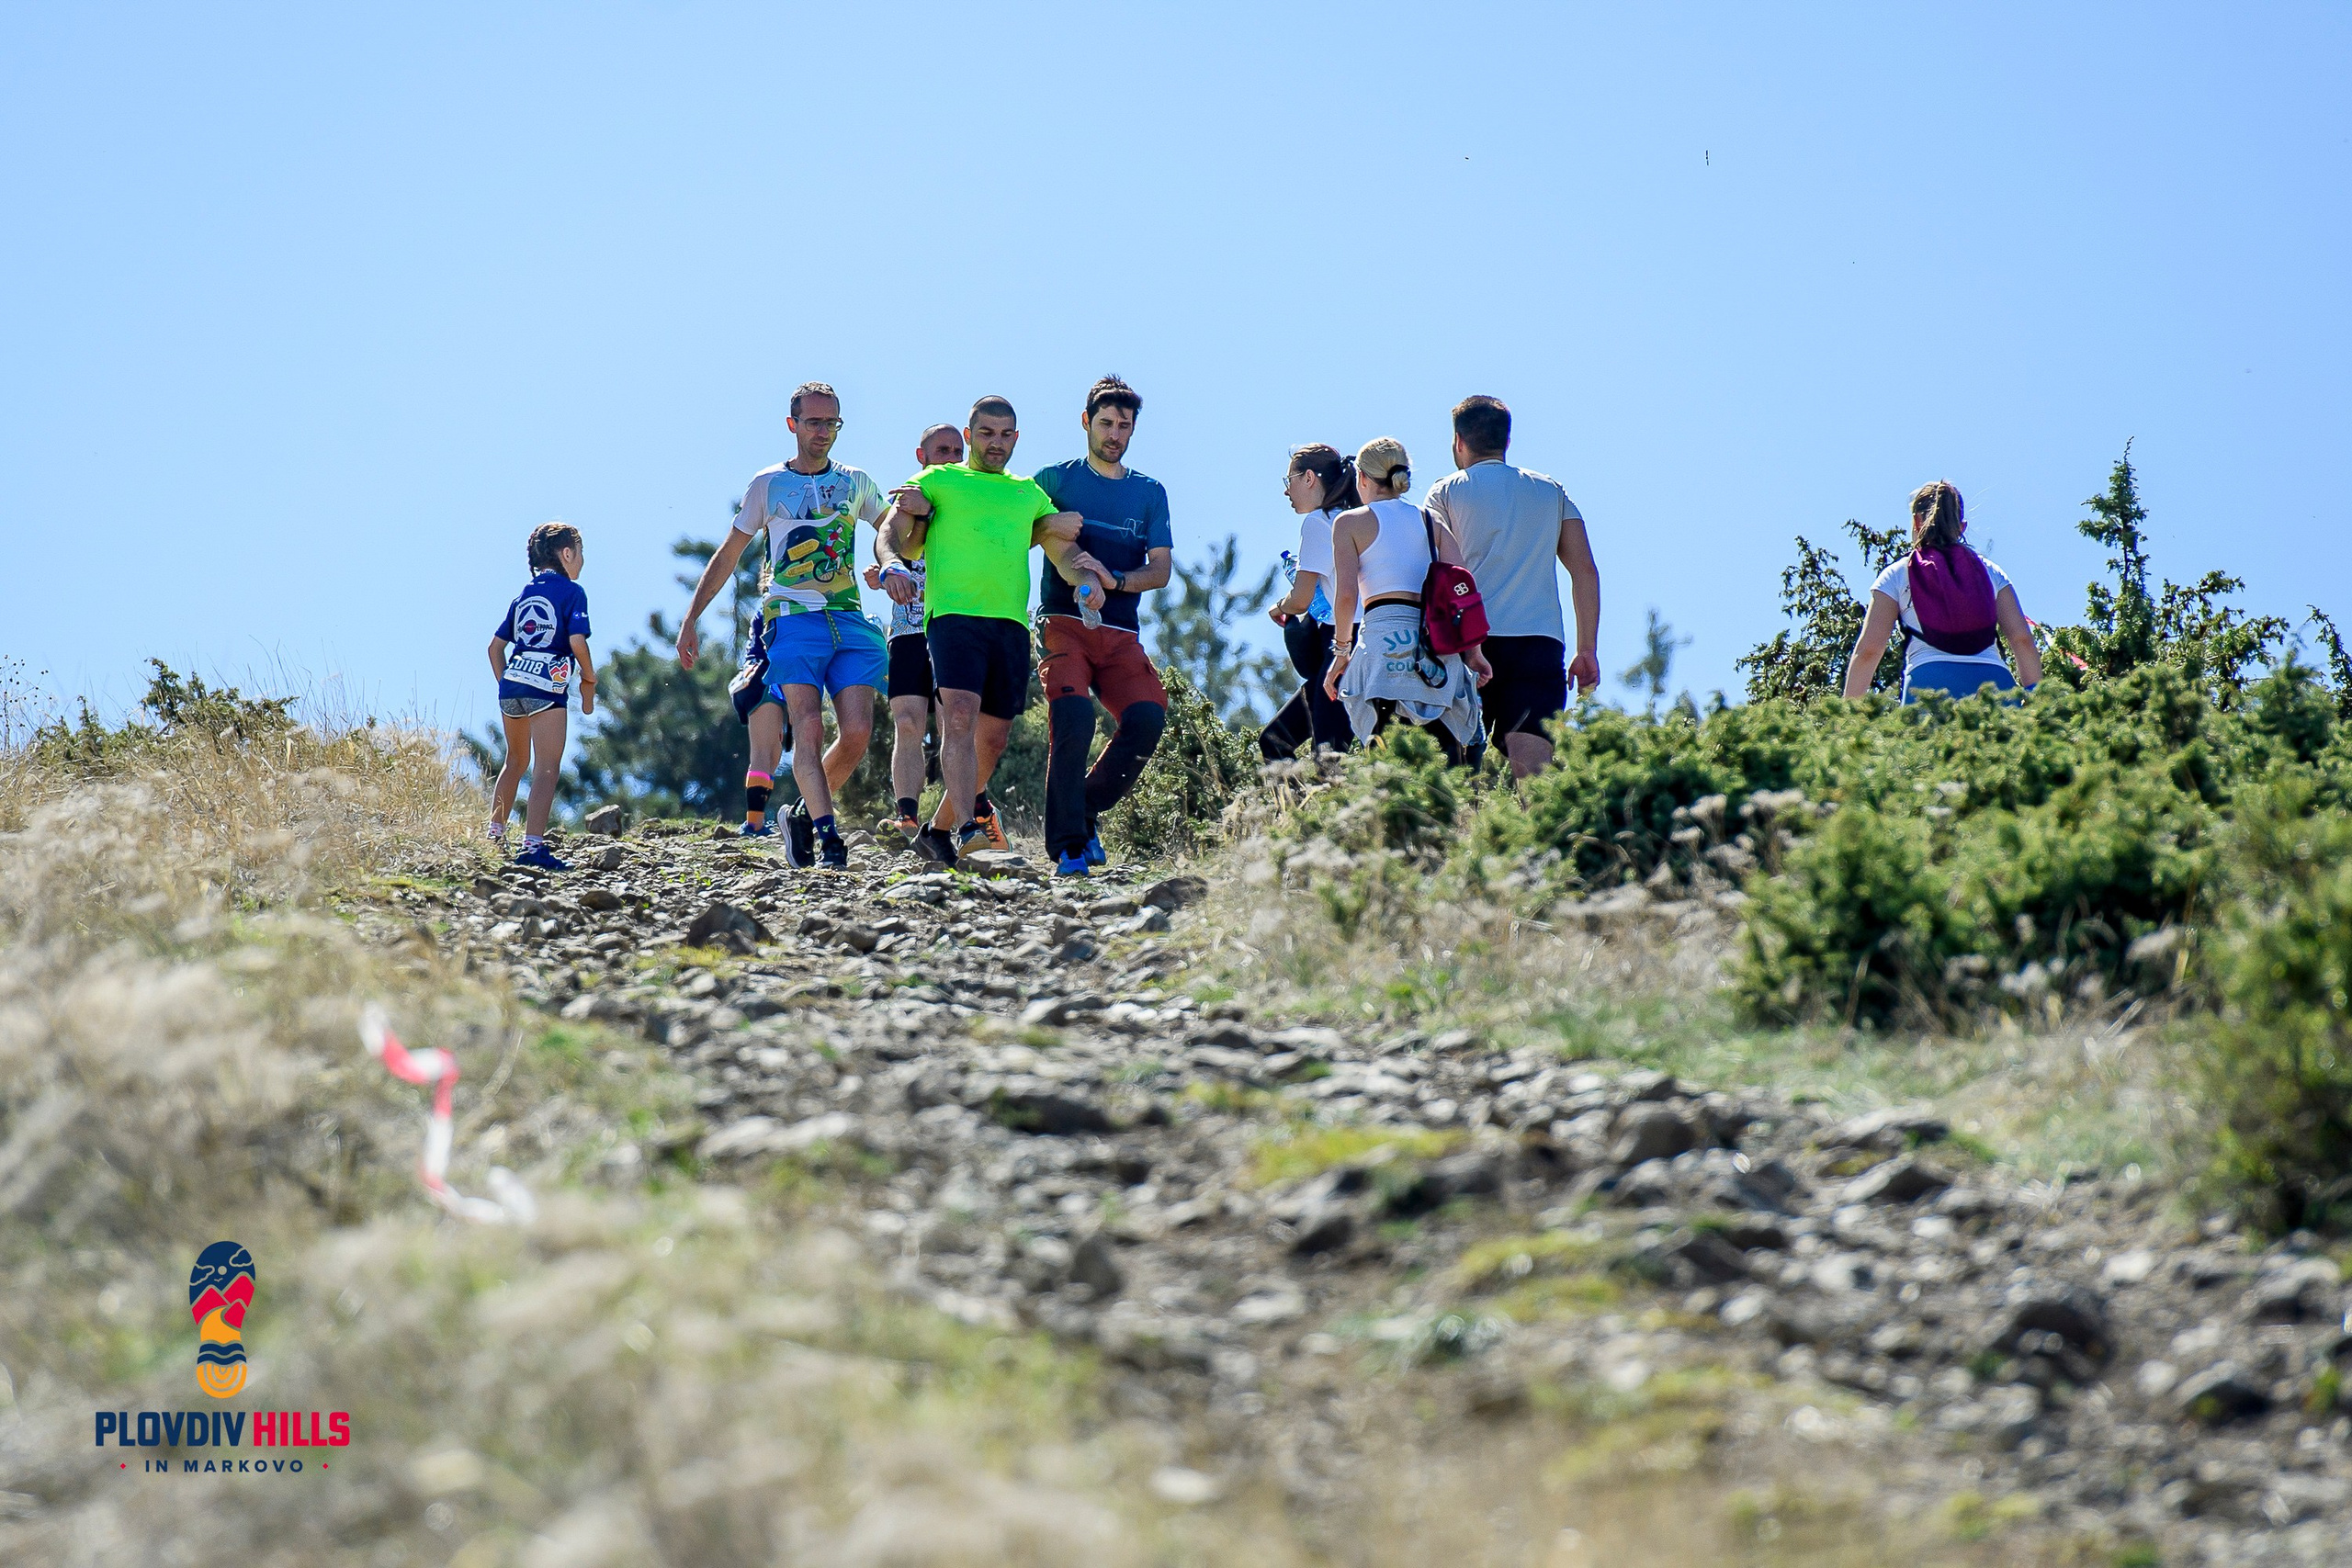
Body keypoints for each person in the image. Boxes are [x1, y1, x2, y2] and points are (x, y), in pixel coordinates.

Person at [876, 396, 1096, 868]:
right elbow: (893, 527)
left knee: (992, 740)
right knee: (958, 717)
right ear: (970, 434)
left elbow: (1062, 553)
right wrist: (891, 561)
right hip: (953, 616)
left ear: (1016, 438)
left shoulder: (1028, 493)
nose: (996, 443)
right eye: (987, 433)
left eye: (1005, 435)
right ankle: (971, 827)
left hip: (1010, 624)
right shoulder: (939, 479)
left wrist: (1089, 581)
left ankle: (937, 831)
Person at [678, 381, 889, 871]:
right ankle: (827, 835)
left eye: (832, 422)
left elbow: (892, 531)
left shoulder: (856, 481)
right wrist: (692, 618)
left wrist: (898, 549)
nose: (823, 431)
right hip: (792, 621)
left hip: (849, 618)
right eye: (814, 422)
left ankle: (798, 814)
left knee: (857, 732)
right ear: (792, 424)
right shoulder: (768, 485)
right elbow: (730, 553)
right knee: (809, 730)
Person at [1031, 376, 1174, 878]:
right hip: (1064, 625)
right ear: (1086, 422)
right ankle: (1069, 847)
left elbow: (1160, 570)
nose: (1115, 433)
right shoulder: (1054, 480)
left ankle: (1084, 808)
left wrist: (1117, 580)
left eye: (1125, 425)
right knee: (1073, 719)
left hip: (1121, 635)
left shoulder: (1149, 493)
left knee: (1148, 718)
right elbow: (1019, 527)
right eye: (1107, 423)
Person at [1421, 394, 1600, 778]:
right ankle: (1537, 838)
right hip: (1539, 642)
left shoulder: (1444, 492)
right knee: (1533, 777)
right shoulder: (1550, 490)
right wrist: (1587, 649)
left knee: (1457, 768)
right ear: (1507, 441)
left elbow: (1433, 568)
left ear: (1459, 442)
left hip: (1470, 642)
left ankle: (1464, 836)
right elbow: (1584, 570)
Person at [1323, 437, 1491, 763]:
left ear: (1362, 478)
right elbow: (1464, 590)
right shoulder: (1432, 521)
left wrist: (1341, 653)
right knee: (1449, 758)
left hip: (1382, 642)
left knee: (1385, 761)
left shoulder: (1350, 523)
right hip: (1435, 645)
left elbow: (1346, 595)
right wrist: (1475, 653)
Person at [1843, 479, 2042, 703]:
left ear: (1917, 522)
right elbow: (2022, 639)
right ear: (1962, 527)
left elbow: (1869, 650)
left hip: (1927, 686)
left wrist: (1845, 721)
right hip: (1995, 686)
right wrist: (2039, 704)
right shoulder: (1991, 572)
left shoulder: (1896, 574)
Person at [861, 421, 964, 840]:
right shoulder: (905, 498)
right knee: (907, 721)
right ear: (922, 456)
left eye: (957, 450)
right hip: (906, 630)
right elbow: (892, 540)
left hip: (954, 625)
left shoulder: (969, 498)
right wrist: (883, 570)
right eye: (942, 451)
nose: (951, 458)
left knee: (954, 720)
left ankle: (958, 816)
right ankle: (906, 814)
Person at [487, 522, 596, 872]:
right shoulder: (572, 592)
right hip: (547, 688)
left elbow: (494, 648)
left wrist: (509, 682)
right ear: (567, 553)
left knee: (515, 762)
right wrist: (589, 678)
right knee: (547, 767)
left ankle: (494, 835)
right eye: (580, 553)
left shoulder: (523, 596)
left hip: (513, 685)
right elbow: (578, 642)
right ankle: (533, 846)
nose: (582, 561)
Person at [1261, 444, 1359, 760]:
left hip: (1343, 644)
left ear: (1310, 479)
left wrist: (1278, 607)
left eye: (1289, 481)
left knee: (1325, 755)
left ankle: (1309, 808)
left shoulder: (1318, 523)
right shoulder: (1352, 518)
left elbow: (1301, 598)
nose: (1287, 492)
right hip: (1370, 639)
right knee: (1282, 741)